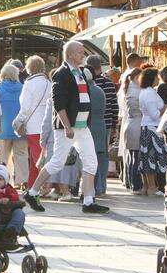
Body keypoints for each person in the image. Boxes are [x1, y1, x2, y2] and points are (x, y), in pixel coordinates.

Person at [22, 41, 109, 214]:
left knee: (91, 161)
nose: (83, 55)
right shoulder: (62, 74)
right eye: (80, 52)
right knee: (57, 162)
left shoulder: (79, 72)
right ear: (69, 54)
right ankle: (32, 192)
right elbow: (58, 102)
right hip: (67, 128)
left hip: (82, 126)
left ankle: (89, 201)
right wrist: (67, 126)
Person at [14, 55, 50, 189]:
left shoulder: (29, 84)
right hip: (46, 124)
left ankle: (44, 185)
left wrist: (18, 122)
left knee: (37, 157)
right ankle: (32, 184)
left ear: (30, 68)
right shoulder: (48, 83)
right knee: (39, 154)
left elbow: (25, 107)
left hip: (33, 124)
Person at [86, 55, 118, 196]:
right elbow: (114, 106)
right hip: (106, 124)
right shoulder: (109, 84)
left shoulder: (86, 85)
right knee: (103, 154)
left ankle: (93, 184)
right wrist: (113, 125)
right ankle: (102, 185)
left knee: (90, 154)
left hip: (90, 124)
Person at [0, 64, 27, 187]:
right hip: (20, 127)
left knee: (4, 157)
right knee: (22, 155)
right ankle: (23, 181)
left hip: (3, 128)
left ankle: (5, 180)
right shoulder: (23, 88)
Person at [138, 67, 167, 196]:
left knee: (147, 157)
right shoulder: (149, 93)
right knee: (152, 157)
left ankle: (147, 186)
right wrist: (165, 108)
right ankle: (152, 187)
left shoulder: (146, 92)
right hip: (152, 127)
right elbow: (154, 114)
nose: (158, 79)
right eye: (156, 77)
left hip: (148, 126)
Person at [84, 68, 109, 197]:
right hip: (100, 125)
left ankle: (95, 187)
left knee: (89, 158)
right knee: (101, 157)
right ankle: (102, 186)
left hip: (88, 126)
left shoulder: (85, 91)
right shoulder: (99, 90)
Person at [118, 68, 143, 194]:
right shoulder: (137, 92)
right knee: (136, 157)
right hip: (137, 125)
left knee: (131, 156)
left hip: (129, 124)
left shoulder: (127, 90)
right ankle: (136, 184)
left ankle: (130, 182)